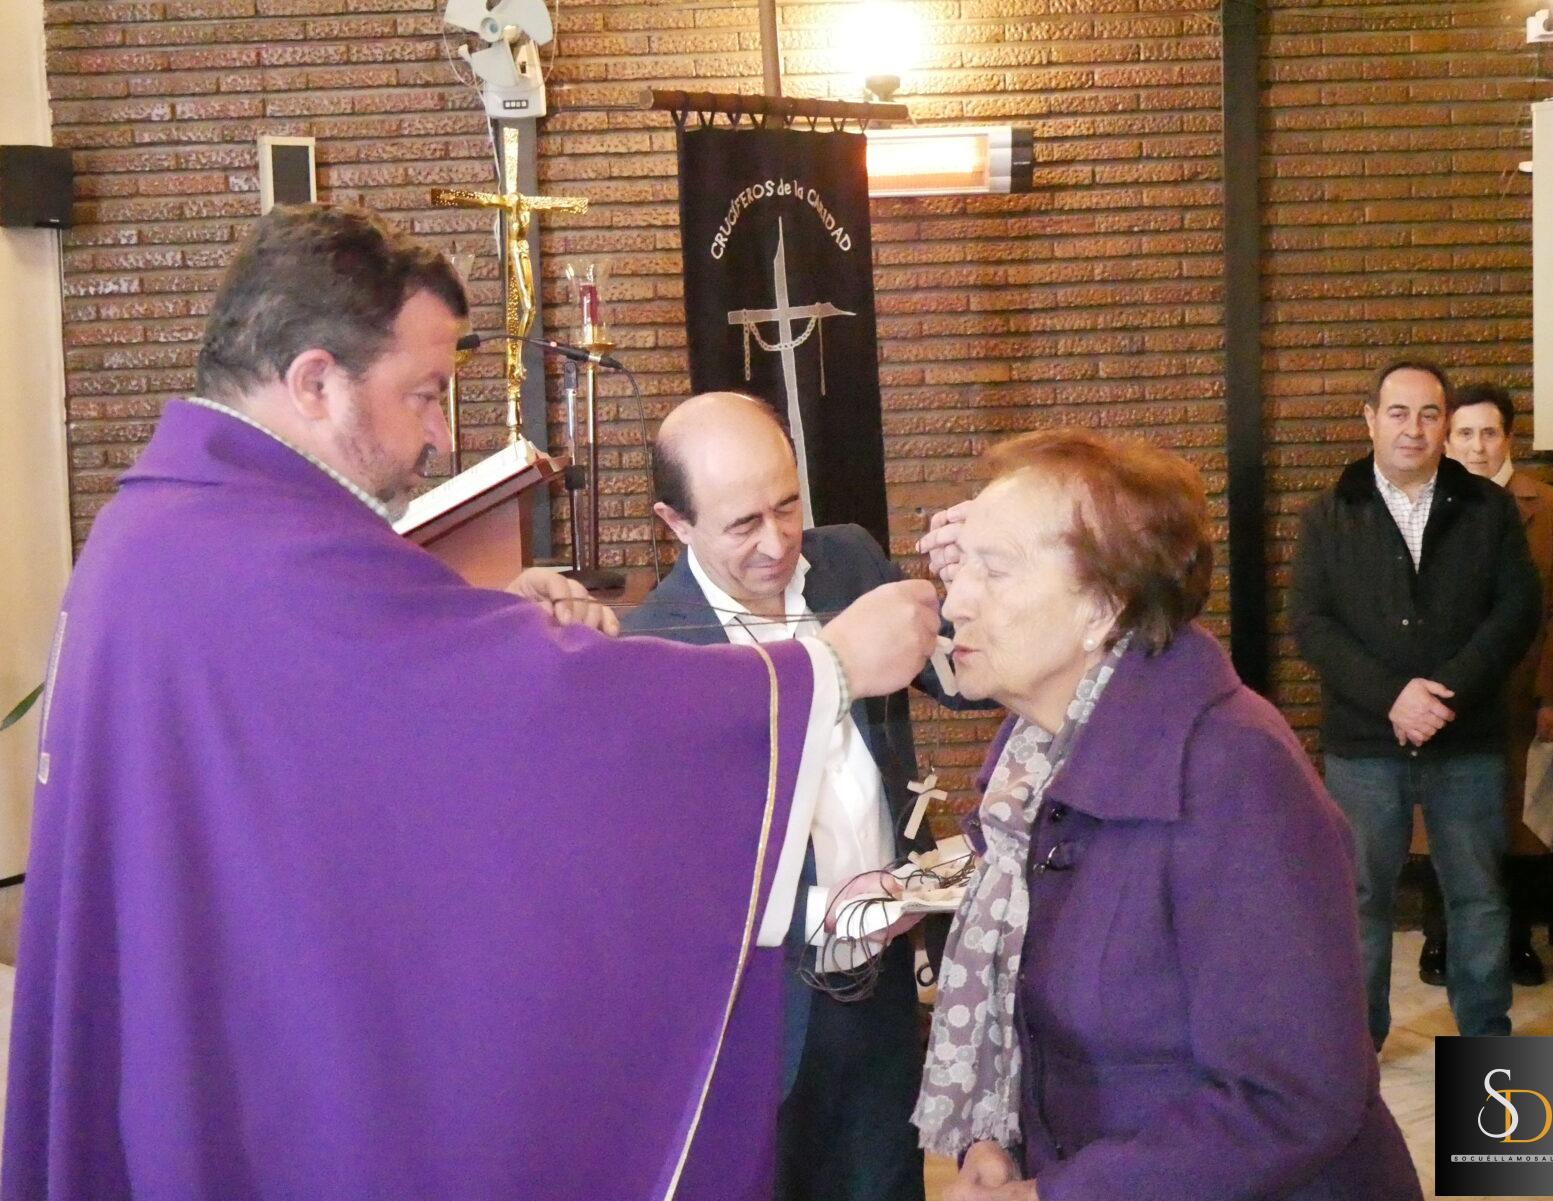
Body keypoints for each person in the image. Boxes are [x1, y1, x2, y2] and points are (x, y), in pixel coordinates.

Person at [2, 203, 943, 1201]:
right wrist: (823, 668)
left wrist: (484, 615)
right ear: (316, 382)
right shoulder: (256, 557)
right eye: (424, 395)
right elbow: (522, 716)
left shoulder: (168, 529)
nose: (441, 436)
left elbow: (356, 732)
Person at [910, 429, 1420, 1201]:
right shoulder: (1033, 761)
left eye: (995, 569)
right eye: (960, 567)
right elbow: (1044, 1013)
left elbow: (1294, 1094)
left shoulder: (1233, 771)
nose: (955, 602)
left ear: (1102, 606)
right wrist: (999, 1136)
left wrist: (1059, 1196)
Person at [622, 391, 983, 1201]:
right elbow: (677, 880)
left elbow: (969, 681)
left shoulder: (849, 561)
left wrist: (982, 588)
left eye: (787, 505)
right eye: (743, 523)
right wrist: (829, 910)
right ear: (675, 523)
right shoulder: (654, 649)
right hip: (759, 1015)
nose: (777, 541)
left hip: (883, 993)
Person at [1289, 360, 1540, 1048]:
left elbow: (1518, 611)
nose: (1414, 428)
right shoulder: (1327, 514)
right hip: (1365, 744)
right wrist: (1394, 698)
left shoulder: (1488, 509)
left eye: (1430, 413)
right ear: (1370, 419)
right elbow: (1311, 623)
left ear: (1444, 423)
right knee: (1361, 898)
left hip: (1468, 739)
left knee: (1479, 896)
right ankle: (1356, 1047)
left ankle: (1487, 1048)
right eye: (1398, 412)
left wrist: (1442, 694)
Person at [1414, 382, 1553, 987]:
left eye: (1489, 433)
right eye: (1464, 433)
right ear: (1446, 440)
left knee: (1517, 823)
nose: (1477, 446)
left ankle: (1515, 941)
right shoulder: (1425, 501)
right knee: (1441, 819)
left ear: (1509, 438)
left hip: (1518, 697)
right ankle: (1440, 937)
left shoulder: (1544, 504)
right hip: (1448, 697)